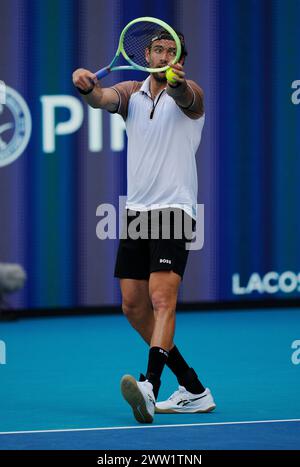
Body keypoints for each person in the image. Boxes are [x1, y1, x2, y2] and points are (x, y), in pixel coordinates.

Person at [72, 29, 216, 423]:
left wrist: (178, 85)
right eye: (159, 50)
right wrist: (86, 87)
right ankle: (193, 387)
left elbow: (187, 96)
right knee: (134, 306)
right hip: (136, 212)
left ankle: (150, 386)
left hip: (174, 210)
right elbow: (102, 99)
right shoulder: (131, 91)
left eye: (173, 51)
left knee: (161, 300)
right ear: (146, 55)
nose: (165, 55)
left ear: (180, 59)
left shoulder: (191, 96)